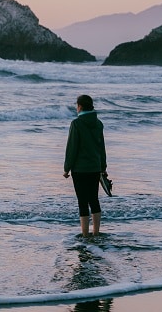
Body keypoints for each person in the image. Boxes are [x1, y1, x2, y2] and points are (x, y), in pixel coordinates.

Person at [63, 95, 107, 237]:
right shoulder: (98, 123)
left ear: (80, 106)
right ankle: (96, 233)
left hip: (80, 169)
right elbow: (102, 148)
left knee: (82, 201)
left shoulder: (76, 124)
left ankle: (85, 235)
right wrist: (103, 166)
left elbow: (72, 148)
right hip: (95, 167)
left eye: (77, 105)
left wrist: (66, 167)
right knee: (94, 199)